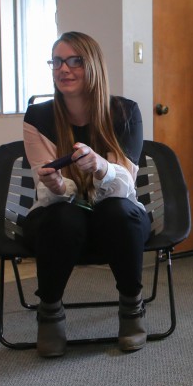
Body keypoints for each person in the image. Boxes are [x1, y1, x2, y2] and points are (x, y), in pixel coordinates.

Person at [22, 31, 151, 358]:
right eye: (57, 61)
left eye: (74, 61)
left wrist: (101, 167)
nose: (63, 69)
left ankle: (131, 308)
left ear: (92, 65)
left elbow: (126, 187)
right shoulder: (38, 118)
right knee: (63, 216)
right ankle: (50, 311)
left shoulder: (125, 112)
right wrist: (55, 186)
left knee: (119, 212)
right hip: (61, 215)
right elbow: (52, 188)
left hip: (114, 216)